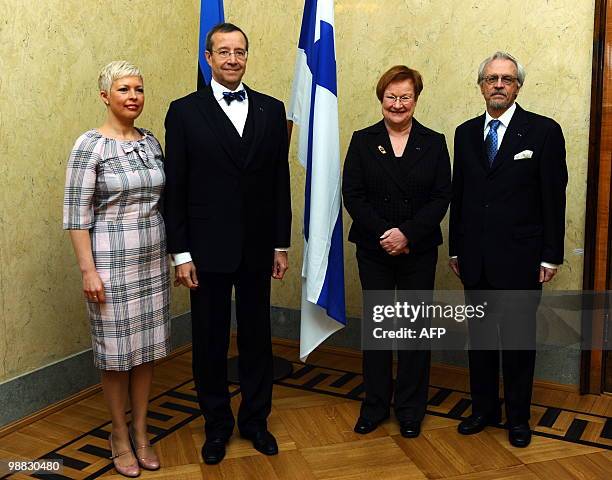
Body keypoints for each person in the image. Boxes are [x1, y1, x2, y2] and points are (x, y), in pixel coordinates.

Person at [163, 23, 291, 465]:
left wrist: (281, 244)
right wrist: (181, 253)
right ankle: (216, 426)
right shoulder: (183, 112)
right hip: (205, 251)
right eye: (224, 52)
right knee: (210, 342)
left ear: (247, 57)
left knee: (258, 341)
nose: (232, 59)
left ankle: (256, 421)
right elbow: (175, 187)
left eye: (240, 52)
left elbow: (280, 182)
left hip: (258, 249)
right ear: (209, 57)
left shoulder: (273, 111)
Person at [449, 51, 567, 447]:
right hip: (475, 261)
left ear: (518, 86)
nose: (498, 85)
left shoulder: (544, 132)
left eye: (507, 79)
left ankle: (518, 418)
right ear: (480, 85)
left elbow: (554, 198)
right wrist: (455, 251)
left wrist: (551, 255)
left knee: (517, 343)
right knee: (480, 341)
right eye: (491, 78)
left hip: (521, 261)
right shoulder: (464, 133)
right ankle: (483, 409)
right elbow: (460, 196)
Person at [63, 61, 168, 477]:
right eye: (124, 89)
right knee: (115, 355)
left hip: (151, 259)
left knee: (145, 352)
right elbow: (76, 216)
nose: (133, 96)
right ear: (105, 95)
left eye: (139, 89)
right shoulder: (89, 146)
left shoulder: (151, 142)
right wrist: (88, 270)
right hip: (108, 262)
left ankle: (142, 431)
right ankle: (119, 434)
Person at [342, 65, 451, 438]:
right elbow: (352, 195)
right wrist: (385, 234)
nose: (398, 104)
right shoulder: (362, 139)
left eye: (405, 97)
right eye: (392, 96)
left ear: (416, 100)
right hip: (374, 249)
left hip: (418, 250)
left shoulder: (434, 142)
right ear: (381, 99)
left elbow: (441, 197)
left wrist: (406, 234)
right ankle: (374, 406)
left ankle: (409, 410)